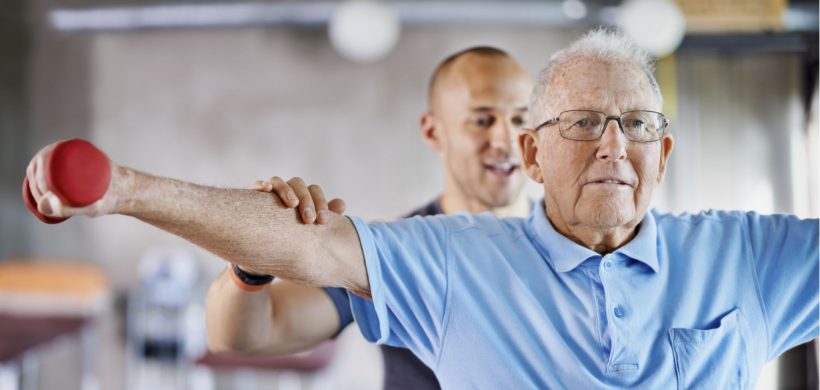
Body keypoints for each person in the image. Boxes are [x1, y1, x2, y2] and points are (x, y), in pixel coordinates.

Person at [24, 29, 818, 388]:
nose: (612, 146)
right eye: (579, 124)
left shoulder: (739, 256)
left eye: (637, 125)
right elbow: (280, 279)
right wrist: (122, 190)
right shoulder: (438, 253)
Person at [205, 46, 533, 390]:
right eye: (482, 120)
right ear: (434, 132)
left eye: (520, 119)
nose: (506, 140)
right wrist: (252, 263)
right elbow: (244, 335)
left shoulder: (568, 244)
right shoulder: (391, 253)